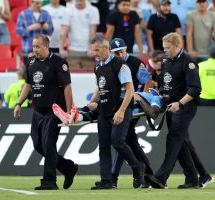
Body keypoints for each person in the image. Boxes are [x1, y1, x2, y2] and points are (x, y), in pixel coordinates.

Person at [13, 34, 78, 190]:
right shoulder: (31, 62)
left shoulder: (58, 63)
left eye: (38, 46)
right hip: (38, 110)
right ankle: (68, 167)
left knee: (49, 145)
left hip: (54, 111)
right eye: (33, 46)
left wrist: (68, 112)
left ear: (46, 46)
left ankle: (49, 181)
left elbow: (67, 87)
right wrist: (18, 103)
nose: (34, 50)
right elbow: (28, 85)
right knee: (38, 145)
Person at [145, 32, 203, 189]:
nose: (166, 51)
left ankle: (160, 178)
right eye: (164, 48)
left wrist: (180, 103)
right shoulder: (166, 60)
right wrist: (160, 95)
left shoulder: (189, 62)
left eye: (168, 48)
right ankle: (193, 179)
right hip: (171, 106)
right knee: (181, 143)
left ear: (178, 46)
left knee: (174, 139)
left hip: (185, 107)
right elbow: (165, 82)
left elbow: (195, 89)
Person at [88, 36, 145, 190]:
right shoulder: (98, 67)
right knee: (104, 146)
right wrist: (91, 102)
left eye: (97, 50)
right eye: (93, 50)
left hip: (120, 109)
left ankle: (137, 167)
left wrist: (121, 111)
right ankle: (106, 181)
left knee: (117, 142)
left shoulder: (120, 65)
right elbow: (100, 87)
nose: (95, 53)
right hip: (104, 111)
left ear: (106, 48)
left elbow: (130, 89)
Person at [108, 37, 153, 187]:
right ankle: (148, 174)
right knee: (128, 140)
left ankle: (114, 177)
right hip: (117, 105)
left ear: (126, 49)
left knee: (121, 140)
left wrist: (142, 99)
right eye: (116, 52)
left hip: (130, 106)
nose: (119, 54)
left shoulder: (135, 63)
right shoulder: (111, 63)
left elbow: (147, 81)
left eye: (121, 51)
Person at [60, 0, 100, 69]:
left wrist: (92, 48)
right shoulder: (68, 10)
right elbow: (63, 32)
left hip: (88, 52)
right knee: (72, 78)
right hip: (72, 51)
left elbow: (93, 32)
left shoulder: (93, 10)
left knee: (89, 78)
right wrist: (61, 49)